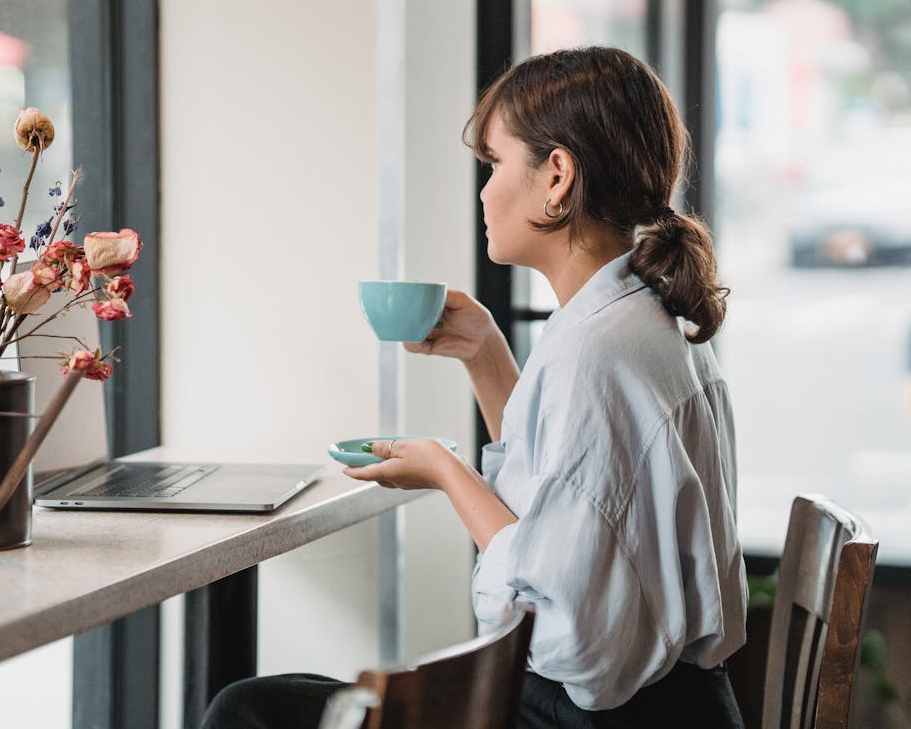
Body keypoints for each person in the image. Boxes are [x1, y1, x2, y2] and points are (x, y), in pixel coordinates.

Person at [201, 46, 747, 729]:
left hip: (598, 718)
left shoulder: (595, 354)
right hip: (675, 709)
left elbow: (572, 631)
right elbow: (572, 505)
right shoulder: (641, 321)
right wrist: (489, 358)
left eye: (494, 164)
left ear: (557, 175)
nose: (485, 190)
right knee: (268, 702)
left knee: (247, 712)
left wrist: (449, 474)